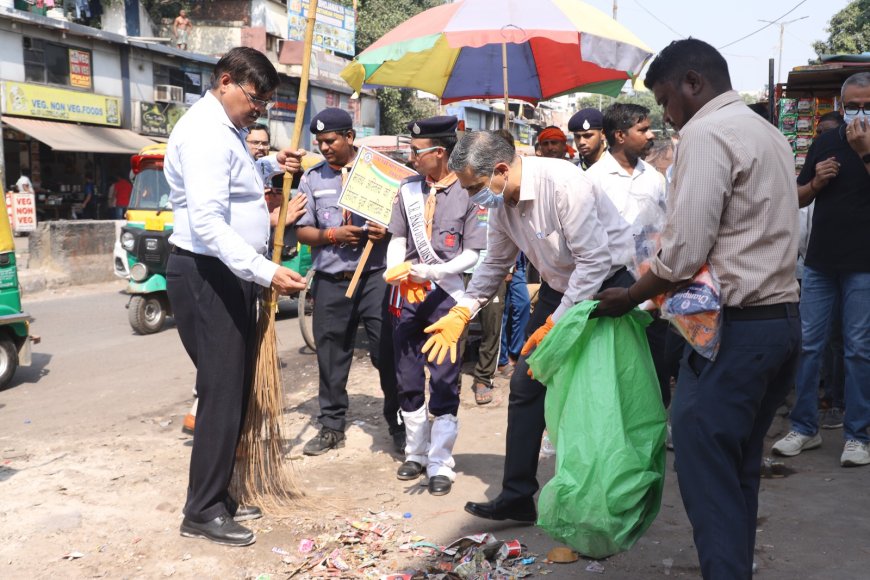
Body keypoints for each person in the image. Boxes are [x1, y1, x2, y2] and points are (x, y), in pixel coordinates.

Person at [594, 39, 801, 580]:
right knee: (736, 469)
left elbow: (684, 251)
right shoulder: (768, 132)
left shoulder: (707, 133)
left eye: (665, 99)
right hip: (780, 324)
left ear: (692, 82)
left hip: (737, 331)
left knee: (706, 466)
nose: (664, 115)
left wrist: (630, 295)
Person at [421, 130, 633, 521]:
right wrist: (463, 310)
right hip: (559, 290)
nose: (471, 198)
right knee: (525, 386)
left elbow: (593, 262)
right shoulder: (501, 203)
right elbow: (495, 264)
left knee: (598, 396)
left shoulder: (564, 184)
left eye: (474, 188)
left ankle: (608, 501)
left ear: (501, 170)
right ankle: (518, 495)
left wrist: (556, 322)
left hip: (607, 290)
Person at [164, 46, 307, 547]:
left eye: (266, 101)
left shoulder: (228, 132)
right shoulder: (205, 133)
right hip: (208, 274)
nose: (259, 108)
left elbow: (237, 186)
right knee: (221, 394)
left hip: (227, 273)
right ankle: (201, 509)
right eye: (255, 97)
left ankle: (218, 494)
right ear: (225, 81)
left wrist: (269, 166)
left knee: (232, 391)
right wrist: (266, 271)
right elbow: (206, 221)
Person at [384, 115, 486, 496]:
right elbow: (397, 237)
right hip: (407, 295)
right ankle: (416, 453)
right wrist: (398, 269)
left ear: (439, 152)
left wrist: (429, 270)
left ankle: (441, 462)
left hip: (446, 296)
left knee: (444, 379)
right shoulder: (407, 189)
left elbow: (474, 253)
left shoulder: (469, 191)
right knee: (407, 377)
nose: (411, 159)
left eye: (416, 152)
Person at [773, 72, 870, 467]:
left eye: (867, 104)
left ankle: (858, 435)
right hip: (820, 263)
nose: (860, 111)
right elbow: (795, 198)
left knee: (858, 350)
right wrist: (815, 182)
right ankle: (804, 428)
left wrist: (864, 152)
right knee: (809, 346)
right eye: (853, 104)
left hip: (864, 264)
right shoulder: (825, 140)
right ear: (840, 104)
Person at [295, 108, 395, 457]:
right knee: (331, 355)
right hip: (331, 280)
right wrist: (333, 234)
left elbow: (406, 221)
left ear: (349, 137)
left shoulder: (380, 172)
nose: (324, 148)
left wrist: (388, 230)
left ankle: (398, 423)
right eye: (320, 142)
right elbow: (303, 231)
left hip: (374, 278)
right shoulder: (311, 179)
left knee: (387, 352)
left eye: (330, 140)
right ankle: (332, 425)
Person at [586, 103, 677, 407]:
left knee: (656, 355)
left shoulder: (654, 177)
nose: (651, 135)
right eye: (643, 129)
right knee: (614, 360)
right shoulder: (593, 179)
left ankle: (659, 420)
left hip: (649, 280)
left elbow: (663, 225)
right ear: (620, 135)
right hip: (609, 281)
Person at [497, 253, 531, 377]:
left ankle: (514, 352)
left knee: (524, 303)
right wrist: (507, 267)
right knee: (503, 312)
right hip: (505, 262)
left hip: (519, 262)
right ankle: (502, 361)